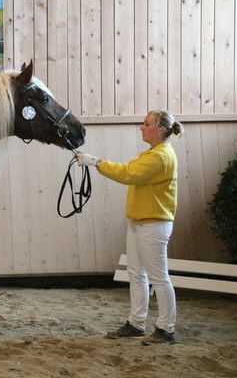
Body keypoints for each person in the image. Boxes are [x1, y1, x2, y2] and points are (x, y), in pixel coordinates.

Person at [76, 110, 184, 345]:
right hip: (140, 221)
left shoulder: (160, 156)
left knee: (158, 277)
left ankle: (166, 328)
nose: (141, 127)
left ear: (161, 129)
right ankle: (137, 323)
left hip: (153, 223)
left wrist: (96, 162)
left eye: (146, 124)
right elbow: (130, 172)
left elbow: (129, 174)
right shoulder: (153, 153)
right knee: (137, 274)